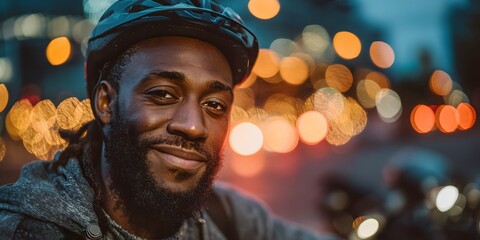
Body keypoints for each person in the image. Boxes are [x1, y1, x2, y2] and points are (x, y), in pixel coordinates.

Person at [0, 0, 335, 239]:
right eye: (162, 94)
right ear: (106, 103)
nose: (193, 125)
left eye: (215, 104)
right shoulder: (26, 229)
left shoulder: (229, 217)